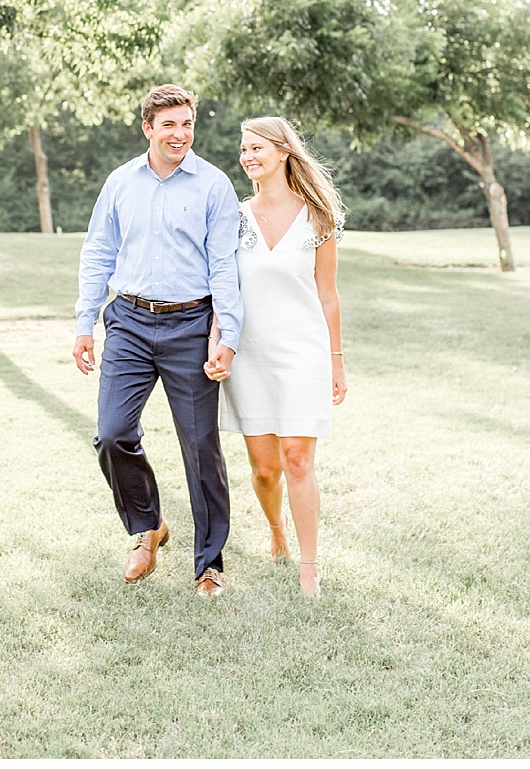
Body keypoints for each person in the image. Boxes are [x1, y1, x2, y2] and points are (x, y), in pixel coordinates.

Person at [74, 84, 244, 598]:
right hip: (127, 320)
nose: (180, 134)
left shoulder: (214, 186)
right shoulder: (121, 182)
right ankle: (146, 527)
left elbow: (225, 267)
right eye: (169, 125)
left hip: (192, 325)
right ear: (147, 128)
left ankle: (208, 564)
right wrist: (85, 322)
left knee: (200, 446)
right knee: (111, 432)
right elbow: (98, 251)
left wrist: (227, 336)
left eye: (187, 123)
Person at [219, 116, 347, 598]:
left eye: (257, 148)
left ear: (283, 152)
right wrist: (220, 342)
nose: (248, 156)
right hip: (250, 354)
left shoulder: (318, 217)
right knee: (265, 468)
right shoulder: (232, 216)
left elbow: (328, 294)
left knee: (297, 460)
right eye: (243, 149)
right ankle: (276, 532)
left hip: (302, 352)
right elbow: (222, 288)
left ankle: (309, 568)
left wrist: (336, 361)